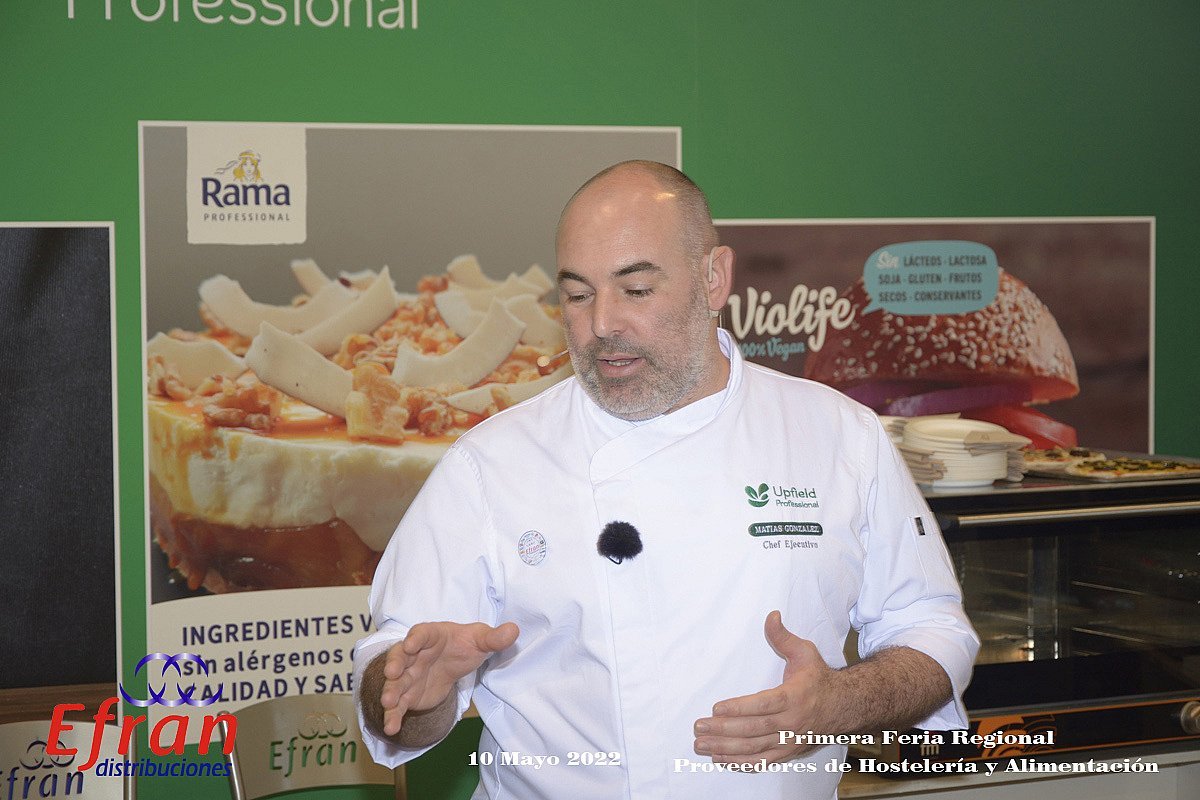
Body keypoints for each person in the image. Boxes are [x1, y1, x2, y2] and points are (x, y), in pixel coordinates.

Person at [354, 160, 980, 799]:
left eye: (636, 289)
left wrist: (841, 703)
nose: (603, 323)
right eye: (578, 295)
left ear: (714, 279)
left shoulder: (839, 436)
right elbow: (394, 688)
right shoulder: (490, 463)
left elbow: (932, 629)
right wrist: (414, 694)